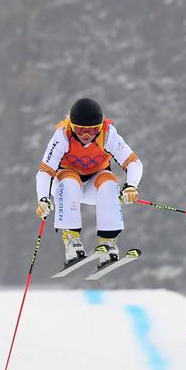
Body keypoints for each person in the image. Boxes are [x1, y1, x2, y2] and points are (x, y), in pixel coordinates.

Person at [35, 97, 144, 269]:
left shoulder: (108, 134)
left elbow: (134, 163)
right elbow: (45, 171)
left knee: (108, 183)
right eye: (79, 129)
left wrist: (131, 186)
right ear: (71, 125)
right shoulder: (63, 135)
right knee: (70, 180)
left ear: (100, 126)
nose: (86, 136)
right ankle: (72, 241)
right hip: (67, 186)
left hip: (94, 185)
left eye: (93, 131)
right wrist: (42, 198)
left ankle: (108, 242)